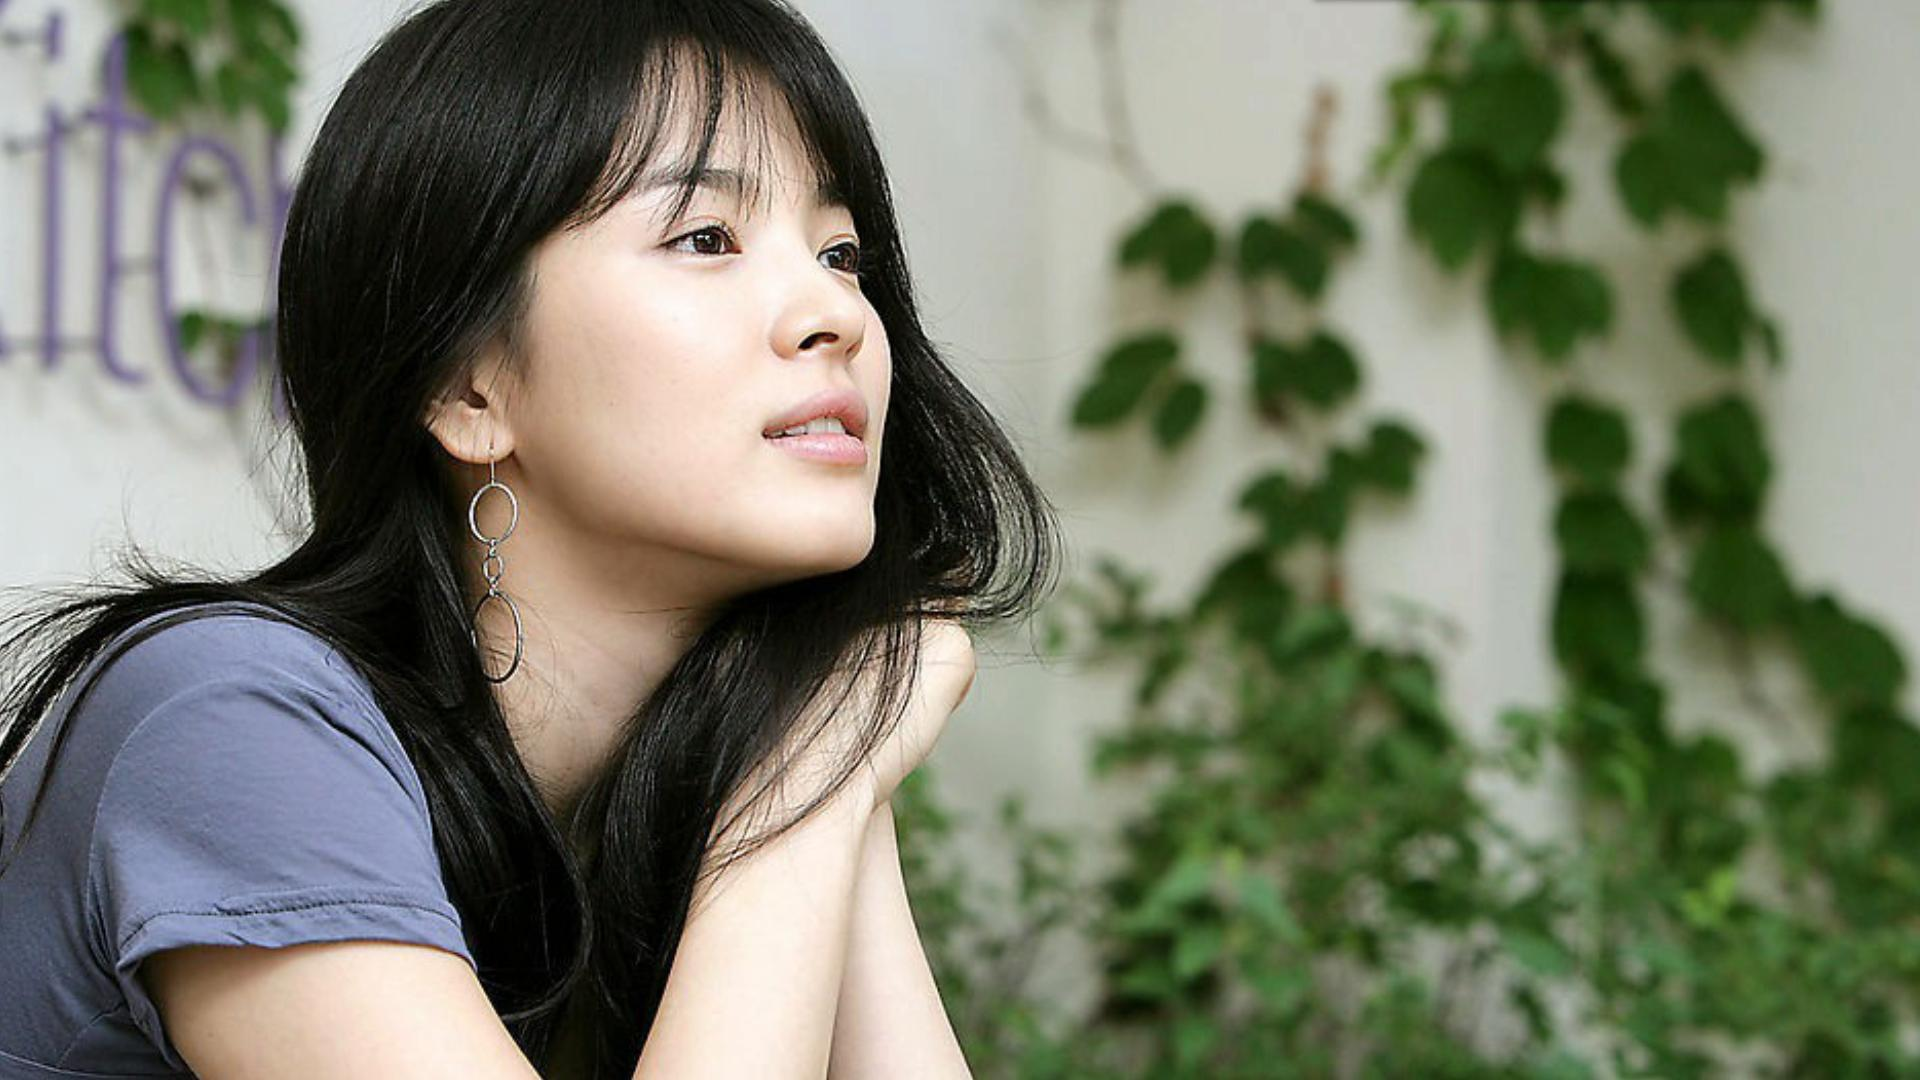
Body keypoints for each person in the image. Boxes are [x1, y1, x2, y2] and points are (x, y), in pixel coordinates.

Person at [0, 0, 1064, 1075]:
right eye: (705, 238)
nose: (835, 314)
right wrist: (805, 792)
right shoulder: (229, 721)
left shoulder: (736, 762)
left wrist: (835, 754)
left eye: (840, 252)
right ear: (467, 387)